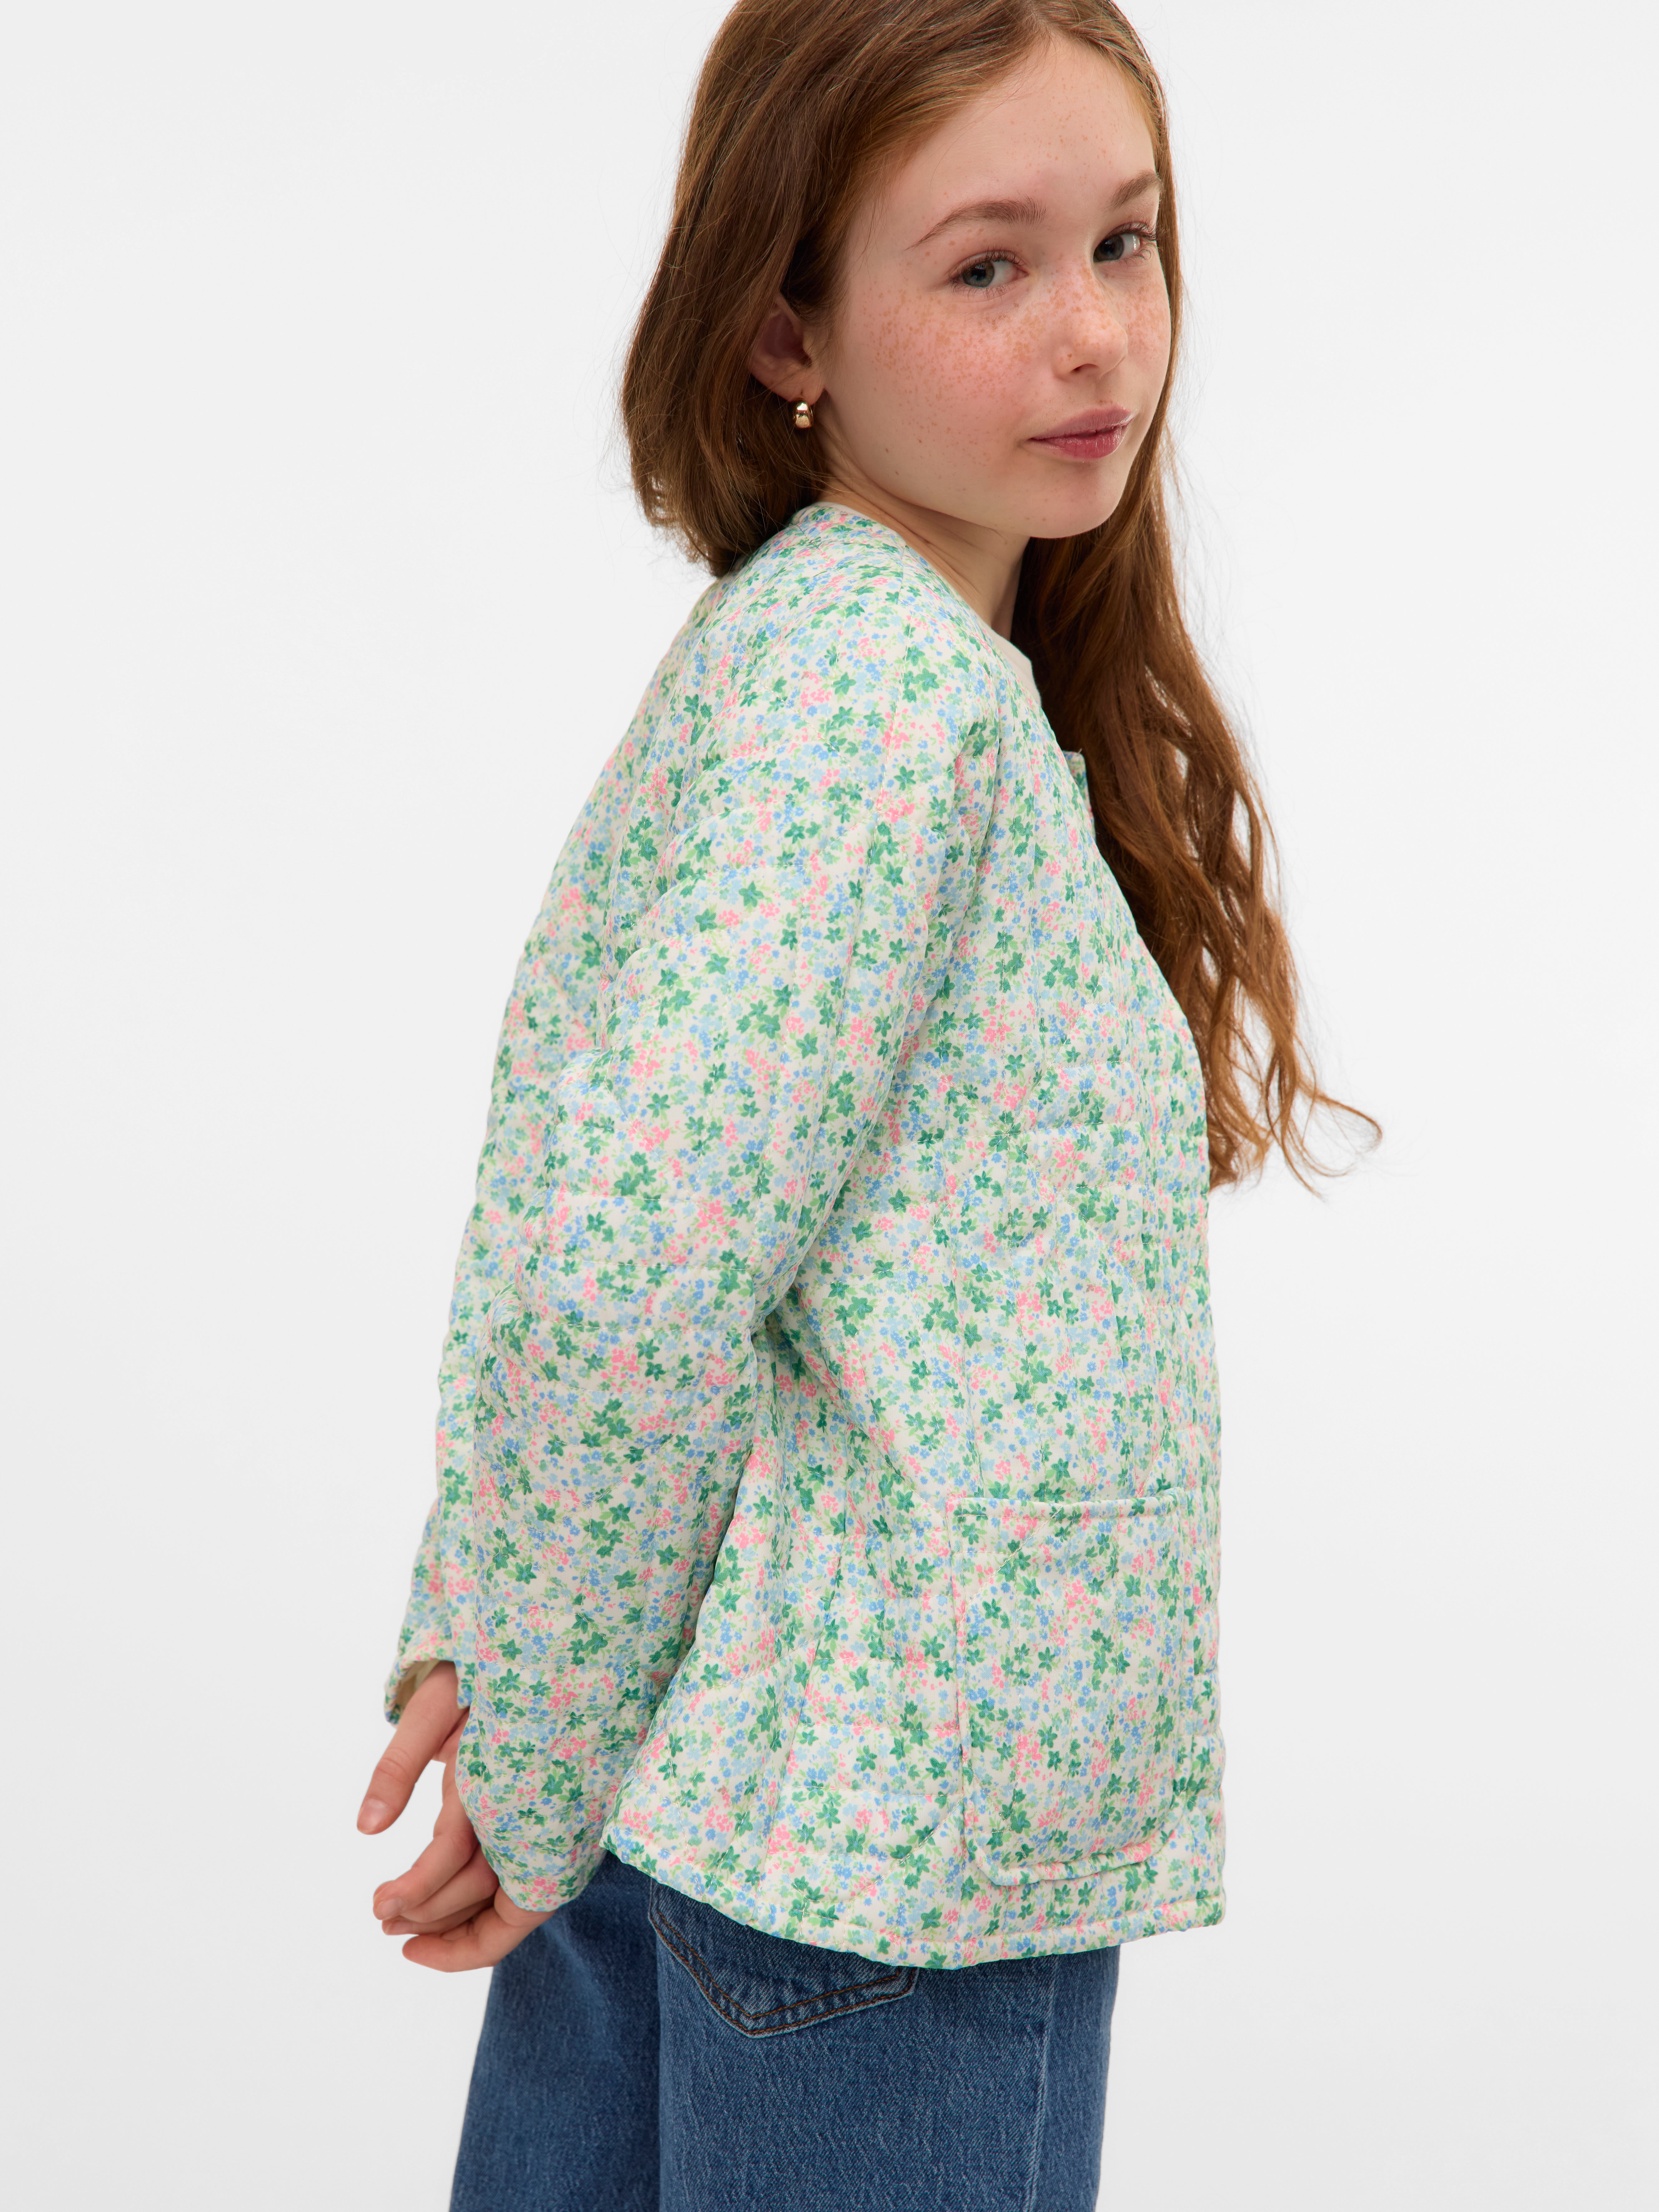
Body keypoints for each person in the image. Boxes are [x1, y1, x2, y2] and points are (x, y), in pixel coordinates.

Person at [355, 3, 1370, 2205]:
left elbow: (596, 1177)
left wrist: (517, 1654)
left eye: (1123, 241)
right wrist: (531, 1724)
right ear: (783, 333)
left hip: (712, 1782)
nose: (1094, 333)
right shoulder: (880, 698)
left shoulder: (832, 653)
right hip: (877, 1876)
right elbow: (619, 1270)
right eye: (987, 265)